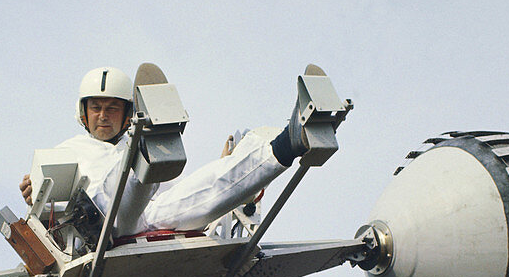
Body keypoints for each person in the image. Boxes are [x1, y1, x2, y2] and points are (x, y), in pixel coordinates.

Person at [20, 65, 316, 237]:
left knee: (194, 193)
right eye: (96, 108)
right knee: (125, 175)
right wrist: (37, 195)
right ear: (82, 113)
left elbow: (190, 193)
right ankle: (148, 140)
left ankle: (288, 143)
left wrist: (224, 168)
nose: (103, 115)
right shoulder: (66, 150)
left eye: (112, 109)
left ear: (127, 114)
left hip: (151, 217)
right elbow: (46, 213)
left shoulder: (136, 148)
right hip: (100, 226)